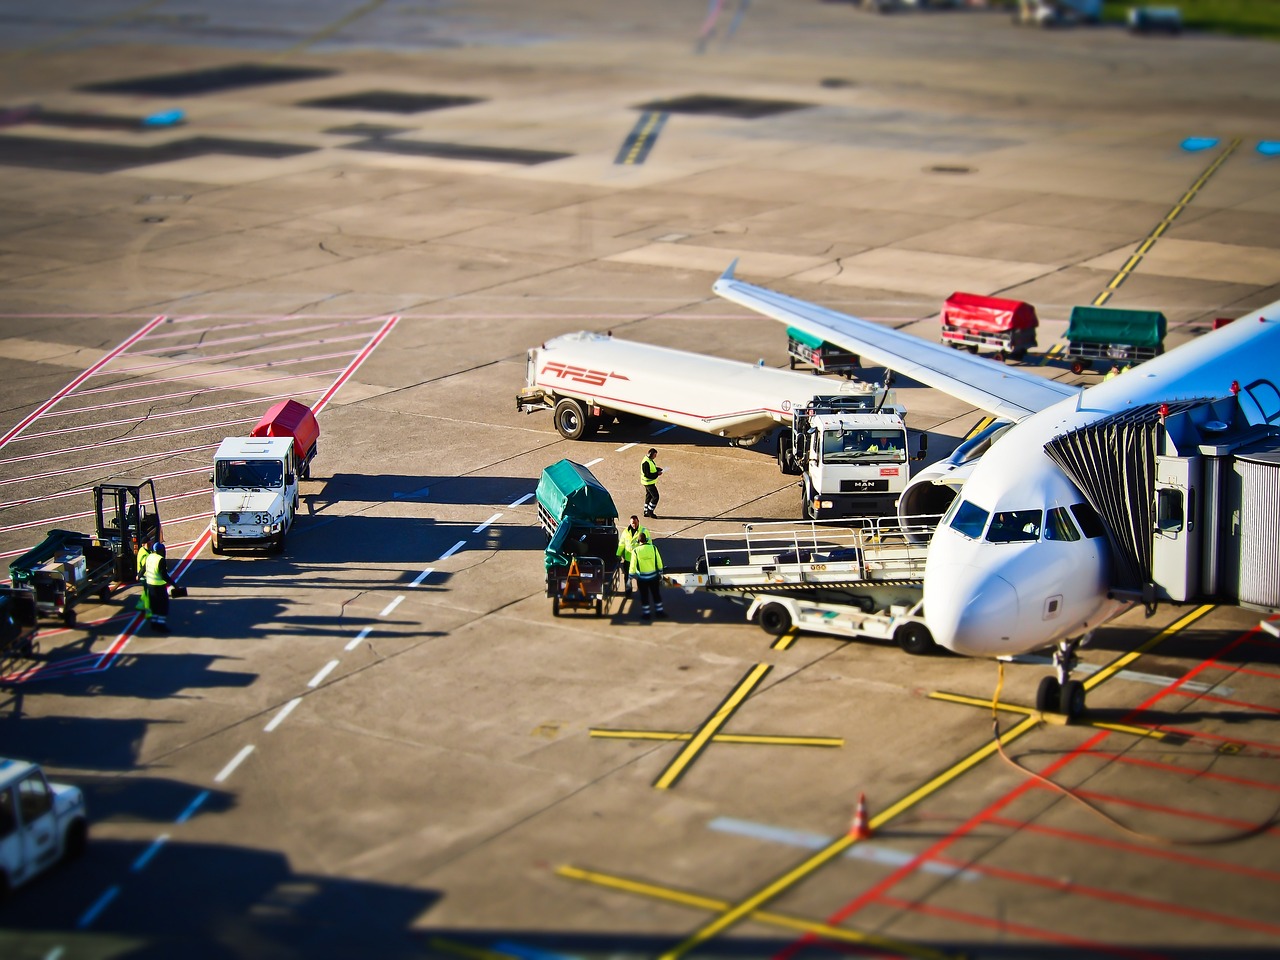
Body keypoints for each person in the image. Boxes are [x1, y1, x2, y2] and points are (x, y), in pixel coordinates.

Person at [628, 531, 665, 620]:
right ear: (646, 539)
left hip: (642, 579)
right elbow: (659, 562)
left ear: (638, 541)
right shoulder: (653, 548)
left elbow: (632, 566)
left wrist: (630, 577)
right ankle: (659, 612)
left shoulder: (636, 551)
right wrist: (660, 572)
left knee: (644, 596)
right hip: (654, 577)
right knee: (656, 594)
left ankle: (646, 614)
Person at [142, 542, 174, 633]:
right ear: (160, 550)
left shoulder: (149, 557)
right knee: (163, 607)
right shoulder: (161, 560)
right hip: (159, 587)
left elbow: (144, 568)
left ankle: (154, 624)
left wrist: (139, 575)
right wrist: (174, 584)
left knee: (154, 606)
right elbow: (164, 575)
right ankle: (161, 626)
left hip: (150, 585)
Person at [616, 515, 649, 599]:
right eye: (632, 523)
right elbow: (621, 544)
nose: (633, 525)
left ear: (638, 521)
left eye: (635, 523)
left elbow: (649, 545)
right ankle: (628, 593)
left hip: (639, 559)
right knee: (627, 577)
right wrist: (618, 554)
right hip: (628, 559)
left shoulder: (644, 531)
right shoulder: (625, 532)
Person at [641, 448, 663, 519]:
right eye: (654, 455)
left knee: (649, 496)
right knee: (655, 497)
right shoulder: (646, 462)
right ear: (651, 454)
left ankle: (646, 511)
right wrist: (657, 474)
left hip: (649, 482)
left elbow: (652, 468)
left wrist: (657, 469)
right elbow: (647, 474)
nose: (655, 457)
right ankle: (650, 511)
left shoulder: (649, 460)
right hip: (648, 482)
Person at [134, 539, 152, 614]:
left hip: (143, 575)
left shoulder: (142, 550)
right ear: (143, 545)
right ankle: (148, 612)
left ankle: (140, 605)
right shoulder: (144, 555)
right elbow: (144, 567)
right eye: (148, 544)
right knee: (148, 594)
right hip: (145, 576)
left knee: (146, 592)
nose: (150, 545)